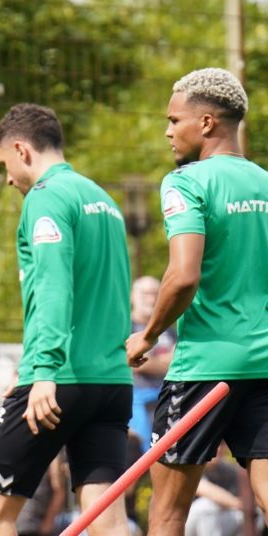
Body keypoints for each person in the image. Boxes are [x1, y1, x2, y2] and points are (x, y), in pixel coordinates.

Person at [0, 103, 133, 536]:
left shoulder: (45, 198)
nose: (8, 179)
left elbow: (53, 286)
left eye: (5, 165)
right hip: (111, 381)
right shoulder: (103, 200)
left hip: (56, 379)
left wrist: (44, 369)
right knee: (108, 523)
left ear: (22, 150)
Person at [126, 67, 268, 535]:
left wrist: (147, 336)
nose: (168, 132)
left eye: (173, 120)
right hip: (263, 362)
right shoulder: (265, 183)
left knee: (167, 513)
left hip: (204, 366)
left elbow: (184, 275)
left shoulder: (186, 182)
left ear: (206, 123)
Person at [129, 276, 176, 451]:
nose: (151, 299)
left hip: (166, 400)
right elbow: (131, 364)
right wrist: (163, 361)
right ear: (133, 296)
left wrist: (147, 360)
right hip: (135, 403)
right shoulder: (124, 327)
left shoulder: (169, 331)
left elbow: (180, 362)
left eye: (156, 294)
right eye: (146, 293)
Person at [184, 442, 244, 536]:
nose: (218, 448)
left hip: (217, 521)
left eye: (221, 445)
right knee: (206, 506)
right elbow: (208, 491)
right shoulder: (192, 465)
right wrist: (240, 504)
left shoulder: (227, 469)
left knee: (251, 514)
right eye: (215, 444)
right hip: (187, 521)